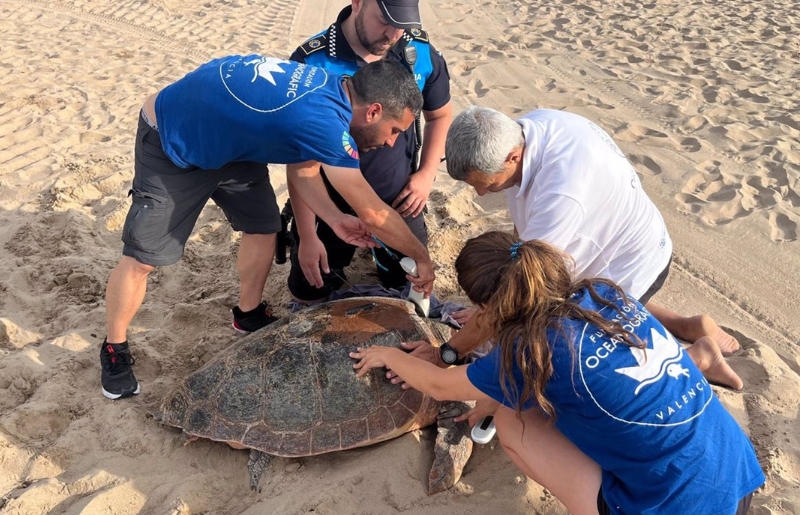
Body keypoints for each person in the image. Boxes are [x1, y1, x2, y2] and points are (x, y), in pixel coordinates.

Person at [351, 232, 764, 515]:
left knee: (513, 424)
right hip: (739, 479)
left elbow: (440, 386)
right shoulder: (601, 292)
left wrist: (390, 357)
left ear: (490, 308)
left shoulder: (529, 349)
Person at [100, 55, 435, 400]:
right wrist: (421, 258)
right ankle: (114, 347)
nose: (393, 142)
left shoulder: (333, 90)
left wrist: (334, 220)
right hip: (173, 139)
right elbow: (374, 213)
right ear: (374, 111)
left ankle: (248, 314)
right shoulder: (323, 121)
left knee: (264, 227)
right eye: (395, 130)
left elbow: (304, 172)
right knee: (144, 258)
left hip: (232, 144)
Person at [408, 106, 741, 389]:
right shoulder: (526, 129)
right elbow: (523, 239)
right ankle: (686, 325)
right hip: (605, 246)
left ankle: (697, 358)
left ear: (513, 156)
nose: (481, 195)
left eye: (487, 184)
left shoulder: (561, 193)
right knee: (565, 294)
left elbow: (520, 290)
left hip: (636, 260)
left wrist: (447, 353)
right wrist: (483, 316)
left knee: (581, 368)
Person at [285, 0, 452, 302]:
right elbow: (299, 162)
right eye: (384, 21)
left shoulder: (418, 53)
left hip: (398, 199)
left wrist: (426, 175)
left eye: (401, 25)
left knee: (413, 294)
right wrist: (307, 236)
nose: (391, 35)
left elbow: (439, 115)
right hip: (329, 205)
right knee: (308, 291)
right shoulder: (312, 62)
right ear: (358, 3)